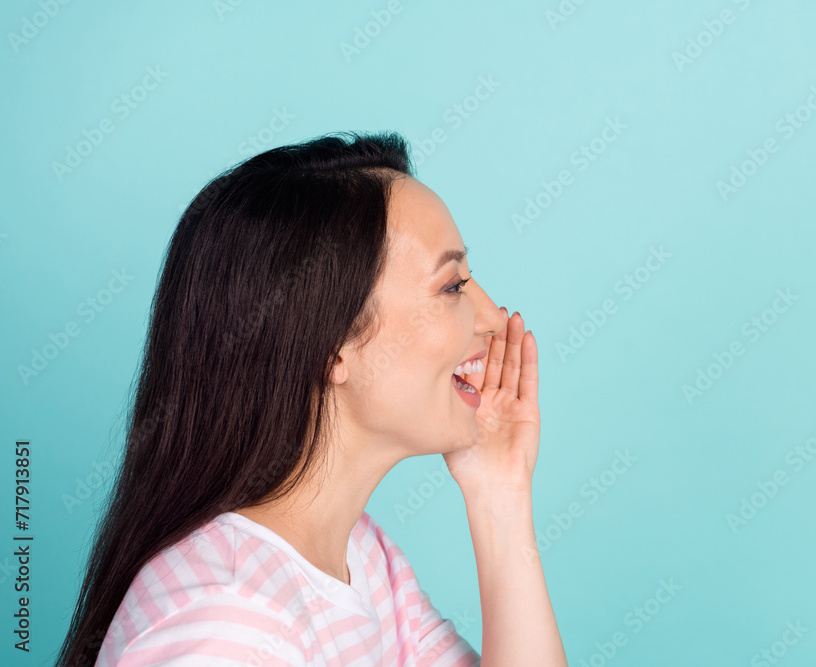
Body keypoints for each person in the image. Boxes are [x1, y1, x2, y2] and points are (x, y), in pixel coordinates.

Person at [53, 132, 568, 666]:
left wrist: (499, 493)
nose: (491, 318)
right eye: (452, 286)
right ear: (333, 346)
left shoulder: (364, 563)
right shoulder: (223, 625)